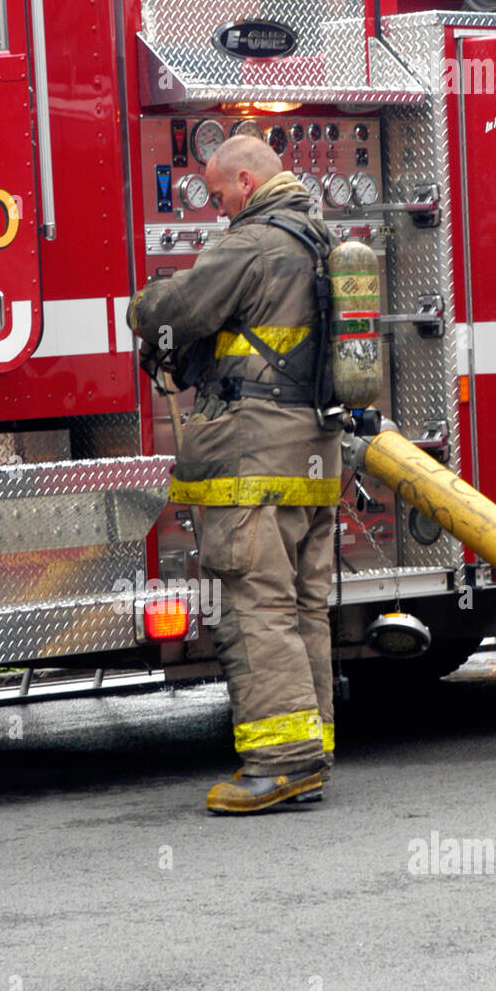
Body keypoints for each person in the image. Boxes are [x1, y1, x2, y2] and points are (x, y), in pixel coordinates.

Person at [128, 135, 341, 814]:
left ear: (245, 182)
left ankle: (279, 762)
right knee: (302, 608)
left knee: (256, 610)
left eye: (218, 194)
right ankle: (310, 752)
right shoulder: (322, 240)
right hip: (311, 461)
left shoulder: (253, 244)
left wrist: (143, 306)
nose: (216, 207)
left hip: (254, 461)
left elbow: (176, 309)